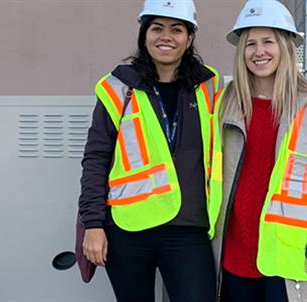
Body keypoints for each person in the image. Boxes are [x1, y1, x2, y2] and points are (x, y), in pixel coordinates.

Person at [77, 0, 223, 300]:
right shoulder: (119, 87)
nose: (165, 36)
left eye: (176, 29)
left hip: (189, 228)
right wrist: (93, 224)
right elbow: (96, 158)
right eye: (156, 28)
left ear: (190, 38)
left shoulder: (209, 86)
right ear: (144, 35)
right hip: (129, 229)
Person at [215, 1, 307, 301]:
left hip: (288, 258)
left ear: (285, 47)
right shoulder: (224, 103)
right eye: (250, 44)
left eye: (268, 42)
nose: (259, 52)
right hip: (234, 253)